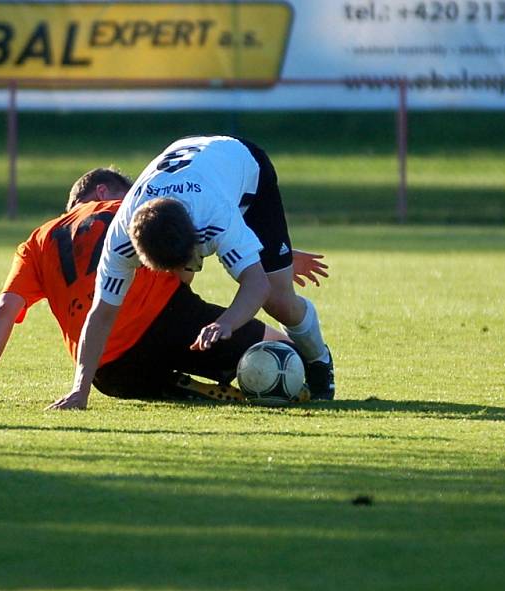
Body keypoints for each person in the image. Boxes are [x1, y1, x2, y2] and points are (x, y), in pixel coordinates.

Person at [0, 167, 328, 404]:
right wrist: (280, 257)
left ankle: (183, 385)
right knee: (287, 353)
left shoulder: (37, 239)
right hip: (170, 322)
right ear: (102, 192)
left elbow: (5, 309)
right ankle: (265, 373)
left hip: (108, 370)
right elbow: (192, 235)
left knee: (149, 370)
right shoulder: (134, 210)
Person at [51, 136, 334, 411]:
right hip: (194, 169)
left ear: (198, 238)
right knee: (181, 281)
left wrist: (226, 323)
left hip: (242, 166)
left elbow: (258, 284)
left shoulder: (214, 215)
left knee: (279, 300)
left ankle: (320, 360)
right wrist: (80, 389)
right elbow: (101, 313)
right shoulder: (120, 238)